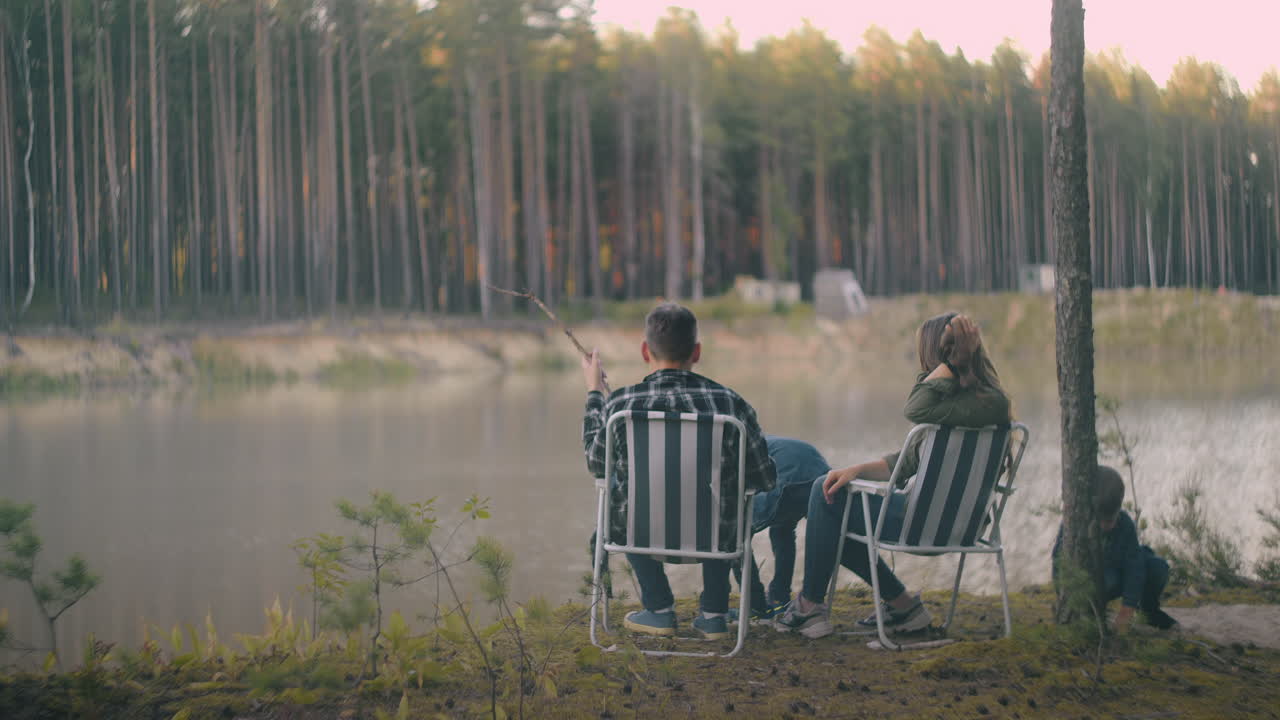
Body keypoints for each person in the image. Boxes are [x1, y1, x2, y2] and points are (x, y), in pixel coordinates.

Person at [776, 312, 1012, 639]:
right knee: (832, 495)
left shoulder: (960, 409)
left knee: (825, 497)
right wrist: (855, 471)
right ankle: (902, 606)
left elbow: (914, 408)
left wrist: (953, 365)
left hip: (923, 525)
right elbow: (904, 463)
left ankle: (809, 606)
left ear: (935, 358)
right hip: (964, 527)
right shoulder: (986, 405)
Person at [582, 303, 777, 640]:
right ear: (697, 352)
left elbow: (596, 464)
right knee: (725, 499)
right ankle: (714, 614)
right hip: (715, 538)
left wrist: (595, 394)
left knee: (622, 496)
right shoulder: (730, 404)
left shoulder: (621, 406)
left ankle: (658, 609)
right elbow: (763, 478)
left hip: (639, 534)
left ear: (645, 351)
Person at [1053, 465, 1178, 631]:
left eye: (1111, 520)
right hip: (1095, 582)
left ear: (1119, 509)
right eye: (1102, 520)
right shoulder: (1073, 525)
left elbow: (1134, 565)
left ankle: (1148, 612)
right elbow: (1059, 565)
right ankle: (1092, 616)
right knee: (1109, 581)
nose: (1106, 526)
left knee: (1158, 567)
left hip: (1120, 572)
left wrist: (1128, 608)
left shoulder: (1125, 523)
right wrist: (1066, 598)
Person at [731, 436, 831, 621]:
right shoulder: (758, 439)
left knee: (736, 534)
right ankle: (780, 597)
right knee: (782, 528)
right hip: (821, 476)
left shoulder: (729, 447)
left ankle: (756, 605)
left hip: (789, 477)